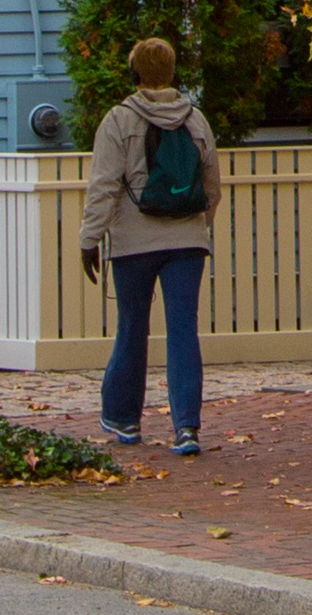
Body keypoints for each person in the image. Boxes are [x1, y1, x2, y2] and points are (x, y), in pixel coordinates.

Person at [80, 35, 217, 454]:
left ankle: (124, 420)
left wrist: (90, 238)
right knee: (182, 331)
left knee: (132, 327)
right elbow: (211, 187)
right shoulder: (195, 119)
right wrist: (197, 226)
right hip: (187, 242)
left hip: (133, 243)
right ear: (173, 73)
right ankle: (186, 428)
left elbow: (104, 187)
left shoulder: (119, 120)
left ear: (135, 73)